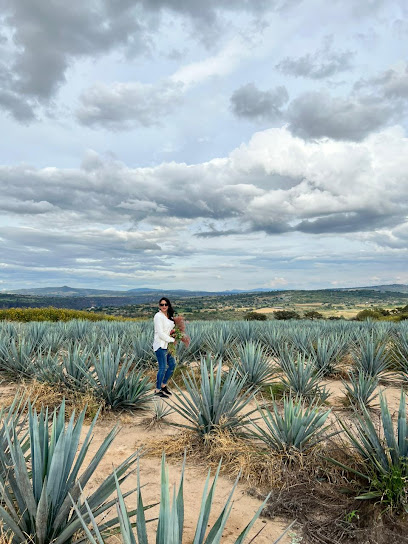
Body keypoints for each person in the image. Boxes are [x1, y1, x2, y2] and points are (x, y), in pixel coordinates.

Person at [153, 297, 176, 397]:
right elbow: (161, 333)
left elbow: (170, 330)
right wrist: (172, 340)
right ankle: (157, 390)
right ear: (159, 306)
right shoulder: (158, 316)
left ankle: (163, 385)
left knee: (172, 365)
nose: (164, 306)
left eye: (166, 304)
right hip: (160, 345)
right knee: (162, 367)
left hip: (168, 345)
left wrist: (175, 334)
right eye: (162, 304)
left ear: (168, 305)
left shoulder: (168, 316)